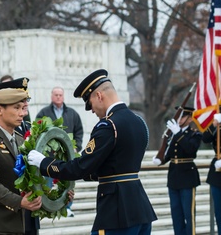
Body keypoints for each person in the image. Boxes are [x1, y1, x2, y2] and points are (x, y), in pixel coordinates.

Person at [27, 69, 157, 234]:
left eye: (90, 104)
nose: (92, 111)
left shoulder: (108, 126)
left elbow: (80, 167)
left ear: (99, 96)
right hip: (141, 208)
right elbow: (112, 166)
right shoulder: (139, 122)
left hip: (116, 212)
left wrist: (44, 162)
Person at [0, 88, 42, 235]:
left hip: (17, 222)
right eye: (16, 108)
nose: (22, 113)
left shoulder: (19, 139)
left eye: (23, 108)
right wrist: (20, 202)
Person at [152, 107, 201, 235]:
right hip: (174, 177)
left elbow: (190, 150)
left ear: (190, 119)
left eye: (183, 117)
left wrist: (178, 133)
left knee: (188, 215)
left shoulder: (195, 134)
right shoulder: (174, 133)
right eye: (179, 116)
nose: (179, 119)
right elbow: (170, 154)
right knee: (176, 215)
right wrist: (160, 160)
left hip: (187, 178)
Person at [36, 86, 84, 217]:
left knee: (67, 182)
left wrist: (77, 147)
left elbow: (79, 131)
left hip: (67, 157)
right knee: (47, 181)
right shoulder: (43, 113)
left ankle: (67, 207)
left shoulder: (72, 114)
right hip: (48, 156)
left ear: (63, 96)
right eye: (56, 94)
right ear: (51, 96)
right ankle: (47, 207)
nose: (58, 97)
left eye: (60, 95)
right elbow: (37, 130)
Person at [200, 113, 221, 234]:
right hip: (217, 173)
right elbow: (205, 139)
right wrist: (213, 125)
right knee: (219, 213)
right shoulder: (217, 124)